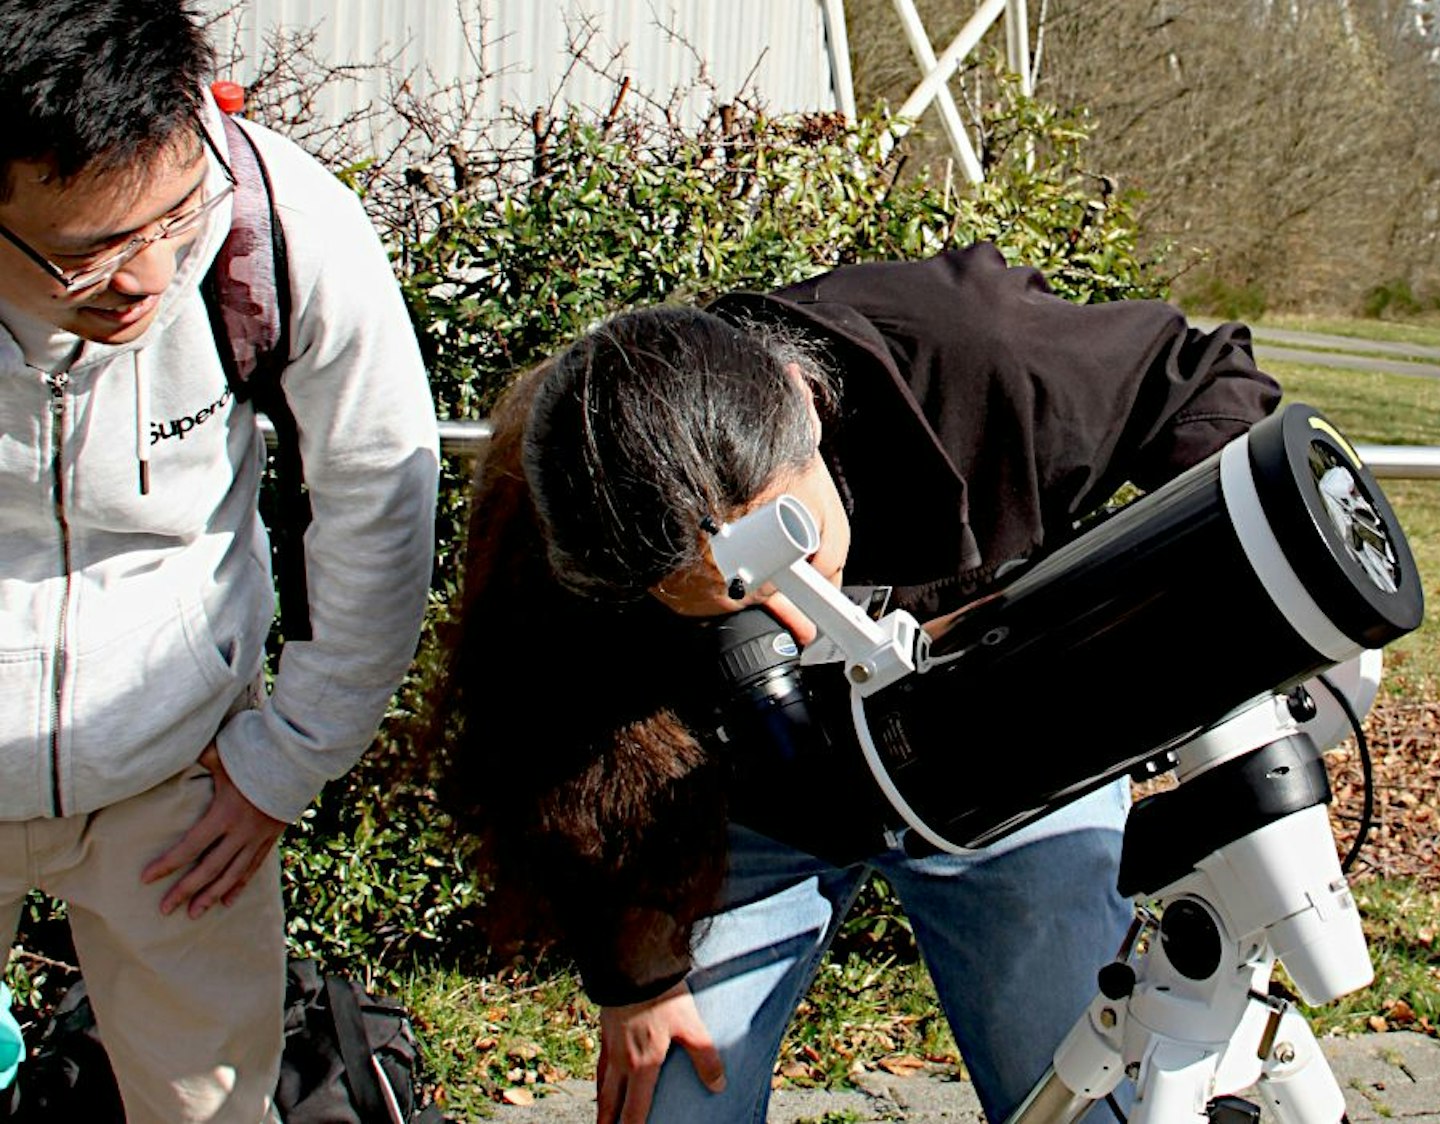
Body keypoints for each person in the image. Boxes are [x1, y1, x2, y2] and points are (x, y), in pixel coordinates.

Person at [428, 240, 1284, 1124]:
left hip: (1004, 760)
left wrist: (1116, 608)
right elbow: (554, 744)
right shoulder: (595, 490)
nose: (793, 628)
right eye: (729, 607)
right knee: (675, 1104)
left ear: (802, 403)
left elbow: (1208, 385)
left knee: (1088, 1098)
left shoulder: (977, 353)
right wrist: (635, 975)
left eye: (795, 562)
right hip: (754, 798)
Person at [0, 3, 440, 1121]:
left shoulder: (275, 218)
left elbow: (379, 489)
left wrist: (286, 758)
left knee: (210, 1104)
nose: (144, 275)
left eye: (170, 219)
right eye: (87, 254)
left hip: (179, 764)